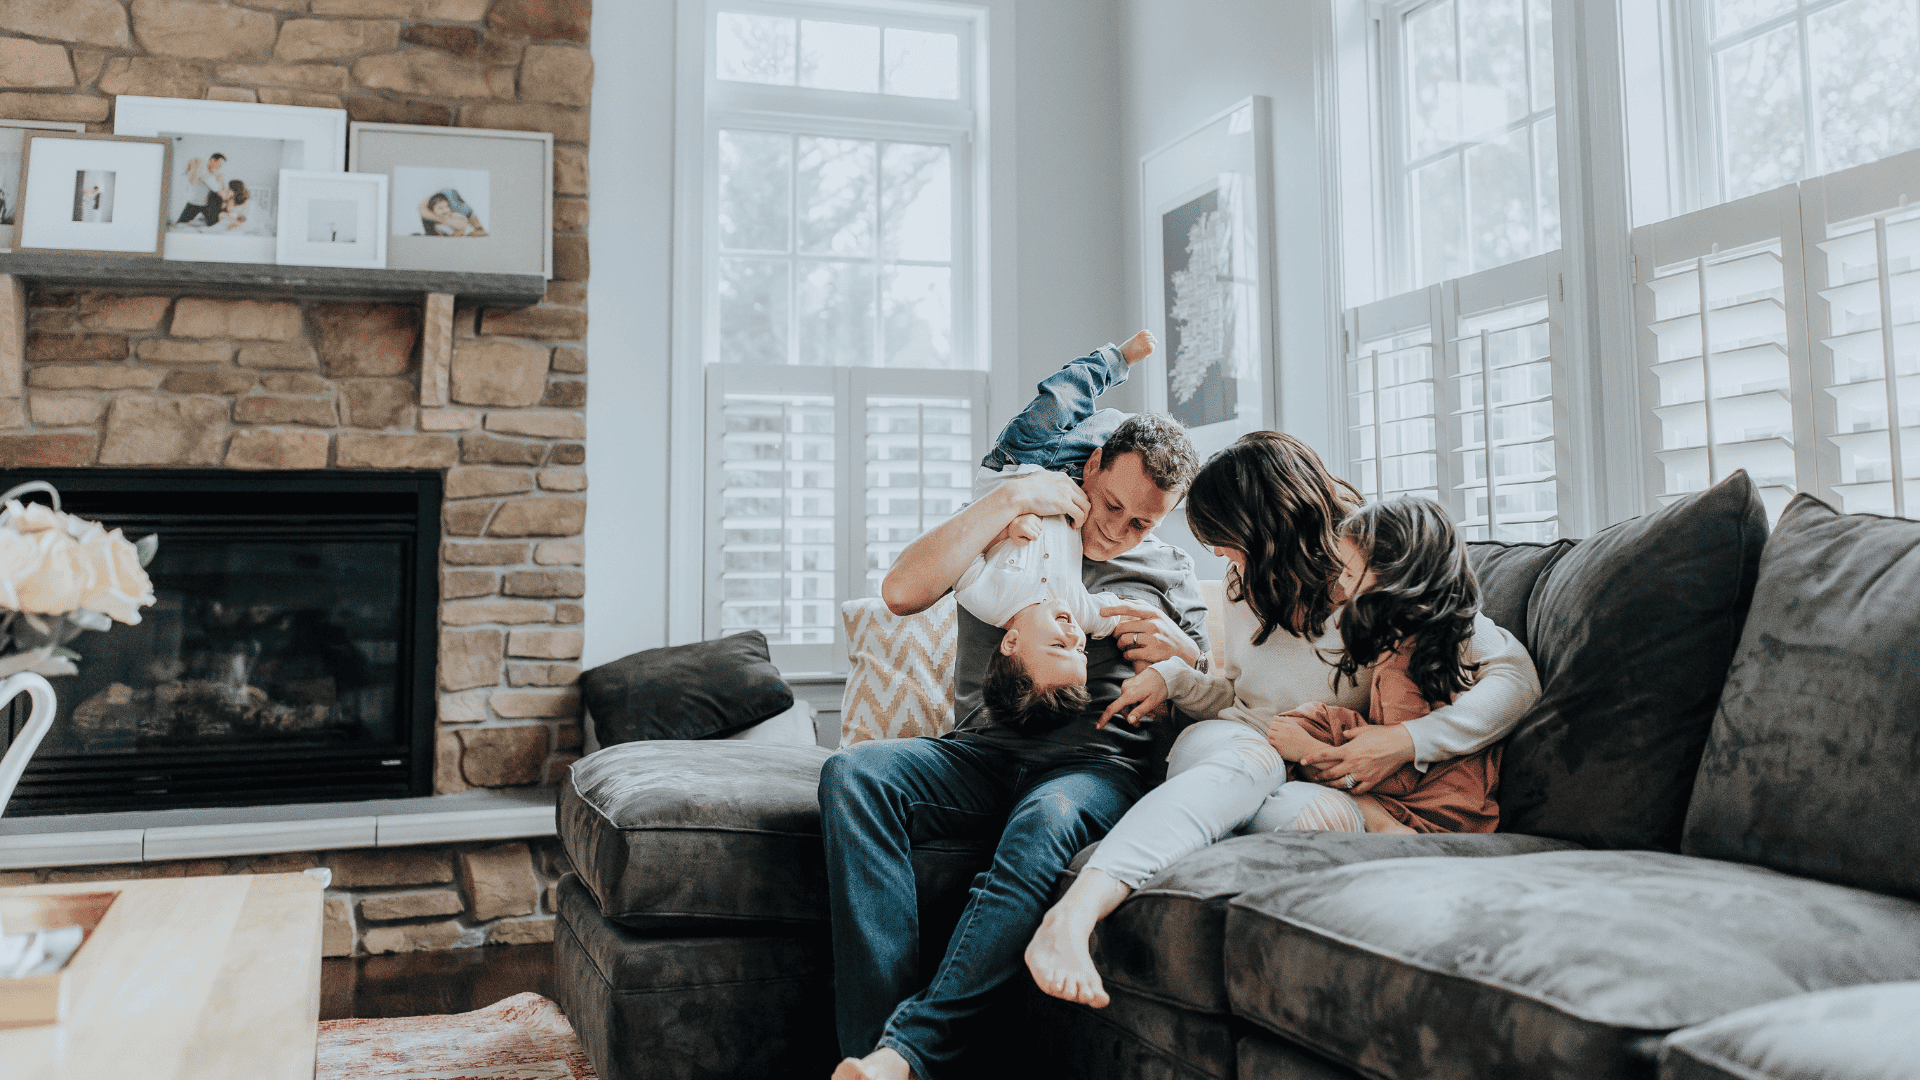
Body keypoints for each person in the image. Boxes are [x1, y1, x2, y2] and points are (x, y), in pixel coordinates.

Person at [1023, 432, 1540, 1010]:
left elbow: (1516, 680)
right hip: (1241, 742)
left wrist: (1405, 741)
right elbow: (1239, 700)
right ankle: (1074, 914)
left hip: (1315, 773)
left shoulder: (1374, 571)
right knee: (1250, 762)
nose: (1221, 559)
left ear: (1268, 527)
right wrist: (1176, 677)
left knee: (1297, 816)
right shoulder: (1246, 585)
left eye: (1226, 542)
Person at [822, 341, 1207, 1080]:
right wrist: (1008, 500)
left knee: (1045, 821)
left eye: (1141, 525)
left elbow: (1214, 685)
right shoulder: (1018, 515)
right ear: (1090, 467)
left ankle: (902, 1056)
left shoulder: (1170, 573)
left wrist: (1182, 655)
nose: (1116, 529)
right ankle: (877, 1053)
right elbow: (901, 593)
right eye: (1113, 503)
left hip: (1094, 765)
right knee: (855, 775)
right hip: (979, 752)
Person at [1261, 495, 1502, 835]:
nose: (1341, 584)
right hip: (1461, 801)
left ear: (1392, 580)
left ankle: (1392, 832)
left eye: (1348, 571)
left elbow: (1402, 777)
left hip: (1440, 811)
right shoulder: (1436, 643)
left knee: (1302, 784)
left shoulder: (1401, 666)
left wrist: (1309, 751)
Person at [950, 331, 1160, 700]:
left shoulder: (985, 599)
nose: (1074, 637)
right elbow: (1122, 614)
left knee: (1062, 398)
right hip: (1072, 476)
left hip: (1018, 462)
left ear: (1012, 642)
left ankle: (1116, 359)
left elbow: (959, 540)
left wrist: (1003, 531)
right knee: (1126, 435)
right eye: (1079, 651)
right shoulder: (1079, 611)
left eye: (1058, 648)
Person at [176, 154, 227, 227]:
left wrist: (216, 176)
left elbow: (219, 189)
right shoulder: (202, 170)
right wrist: (218, 178)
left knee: (214, 225)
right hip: (195, 203)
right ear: (212, 160)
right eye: (219, 163)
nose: (220, 166)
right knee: (180, 224)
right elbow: (216, 188)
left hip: (206, 204)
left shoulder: (210, 173)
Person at [419, 189, 487, 236]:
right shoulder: (438, 227)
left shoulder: (455, 215)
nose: (445, 210)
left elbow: (465, 222)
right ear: (433, 212)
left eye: (446, 207)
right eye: (440, 208)